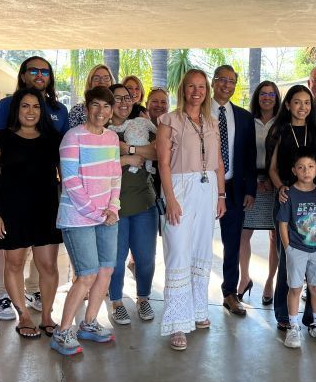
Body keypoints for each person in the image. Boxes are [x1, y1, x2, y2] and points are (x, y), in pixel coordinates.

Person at [0, 55, 68, 321]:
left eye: (44, 71)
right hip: (12, 203)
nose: (39, 75)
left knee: (46, 263)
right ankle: (10, 303)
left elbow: (65, 168)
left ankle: (40, 304)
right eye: (33, 71)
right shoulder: (4, 118)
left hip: (45, 203)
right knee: (11, 259)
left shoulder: (56, 123)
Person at [157, 69, 226, 351]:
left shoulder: (211, 122)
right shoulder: (169, 121)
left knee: (201, 250)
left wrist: (221, 195)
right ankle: (177, 322)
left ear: (206, 91)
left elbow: (219, 162)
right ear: (182, 89)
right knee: (178, 251)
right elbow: (163, 164)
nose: (196, 92)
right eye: (191, 86)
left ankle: (198, 310)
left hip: (207, 189)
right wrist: (171, 199)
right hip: (179, 188)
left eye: (201, 87)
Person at [51, 86, 122, 356]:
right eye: (95, 105)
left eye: (106, 106)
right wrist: (96, 213)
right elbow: (70, 181)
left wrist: (113, 207)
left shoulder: (112, 138)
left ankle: (89, 324)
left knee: (106, 270)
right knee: (87, 274)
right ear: (86, 107)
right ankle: (62, 332)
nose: (101, 111)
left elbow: (115, 176)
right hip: (78, 217)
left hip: (107, 215)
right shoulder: (73, 137)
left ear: (111, 111)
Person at [267, 84, 316, 330]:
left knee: (314, 258)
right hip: (287, 200)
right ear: (288, 105)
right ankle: (283, 314)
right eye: (297, 102)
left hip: (313, 203)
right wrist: (281, 187)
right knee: (288, 258)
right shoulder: (279, 130)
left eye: (307, 102)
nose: (303, 107)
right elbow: (271, 168)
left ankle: (313, 317)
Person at [106, 84, 159, 325]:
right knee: (116, 260)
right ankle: (116, 302)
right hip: (113, 207)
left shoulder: (141, 125)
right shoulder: (101, 130)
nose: (123, 103)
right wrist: (127, 159)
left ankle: (143, 298)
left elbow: (156, 153)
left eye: (127, 98)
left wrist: (128, 148)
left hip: (144, 203)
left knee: (146, 258)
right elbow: (98, 166)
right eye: (117, 98)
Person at [210, 65, 257, 317]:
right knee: (197, 242)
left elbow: (250, 156)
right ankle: (194, 292)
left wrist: (250, 189)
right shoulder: (198, 112)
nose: (226, 85)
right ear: (213, 82)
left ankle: (230, 293)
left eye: (231, 81)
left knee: (232, 243)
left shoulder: (244, 117)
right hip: (203, 187)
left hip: (234, 189)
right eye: (222, 79)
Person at [277, 150, 316, 348]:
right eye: (301, 167)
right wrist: (288, 248)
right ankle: (293, 327)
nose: (306, 171)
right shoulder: (289, 194)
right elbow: (283, 223)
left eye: (310, 167)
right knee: (295, 288)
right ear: (294, 171)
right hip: (297, 249)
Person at [240, 81, 281, 305]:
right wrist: (253, 181)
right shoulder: (247, 121)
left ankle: (269, 281)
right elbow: (242, 153)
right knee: (244, 233)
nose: (267, 98)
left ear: (277, 98)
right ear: (257, 96)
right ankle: (244, 278)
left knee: (275, 236)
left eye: (271, 94)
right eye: (263, 94)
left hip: (275, 183)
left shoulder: (282, 122)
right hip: (251, 182)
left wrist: (273, 180)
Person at [69, 64, 115, 128]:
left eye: (106, 78)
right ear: (90, 82)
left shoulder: (118, 108)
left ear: (111, 81)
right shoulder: (77, 111)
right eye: (96, 78)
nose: (101, 81)